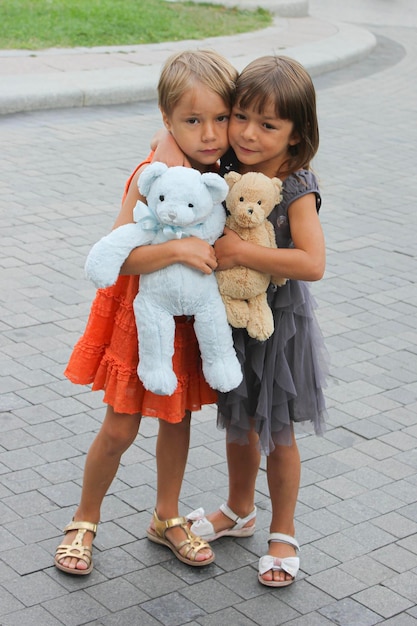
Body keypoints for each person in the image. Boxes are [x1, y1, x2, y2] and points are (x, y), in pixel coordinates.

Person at [54, 49, 238, 575]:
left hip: (186, 322)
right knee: (119, 427)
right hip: (139, 320)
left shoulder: (216, 173)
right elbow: (120, 251)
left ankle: (166, 516)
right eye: (193, 120)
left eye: (220, 118)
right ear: (167, 120)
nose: (209, 133)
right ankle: (83, 519)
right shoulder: (154, 174)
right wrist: (179, 250)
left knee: (176, 418)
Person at [155, 54, 328, 587]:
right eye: (240, 116)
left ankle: (282, 530)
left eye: (268, 125)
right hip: (228, 318)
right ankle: (237, 509)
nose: (247, 133)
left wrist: (242, 253)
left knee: (276, 428)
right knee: (237, 420)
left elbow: (312, 263)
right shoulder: (226, 165)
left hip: (278, 325)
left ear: (296, 136)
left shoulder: (296, 184)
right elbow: (167, 146)